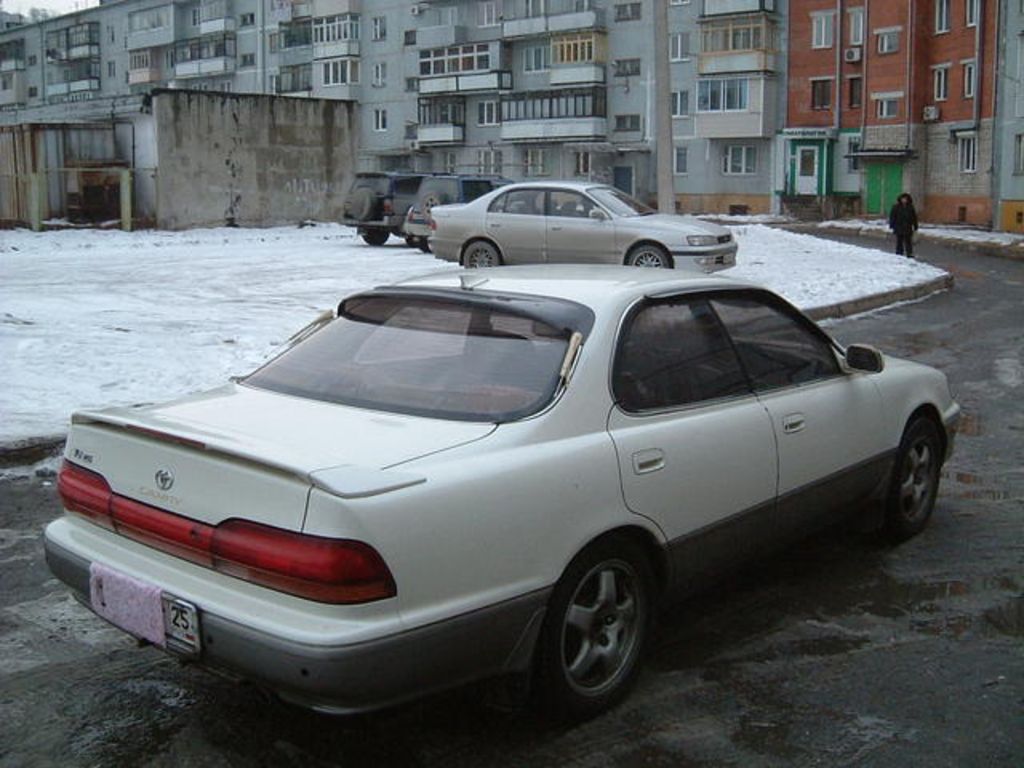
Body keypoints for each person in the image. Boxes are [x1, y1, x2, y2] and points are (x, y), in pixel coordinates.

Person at [888, 193, 919, 258]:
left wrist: (915, 226)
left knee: (908, 241)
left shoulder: (910, 207)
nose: (904, 200)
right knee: (899, 241)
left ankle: (909, 253)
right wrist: (892, 225)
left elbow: (914, 217)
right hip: (899, 226)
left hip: (908, 227)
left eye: (905, 199)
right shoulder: (896, 207)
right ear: (900, 199)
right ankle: (899, 253)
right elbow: (892, 216)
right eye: (903, 199)